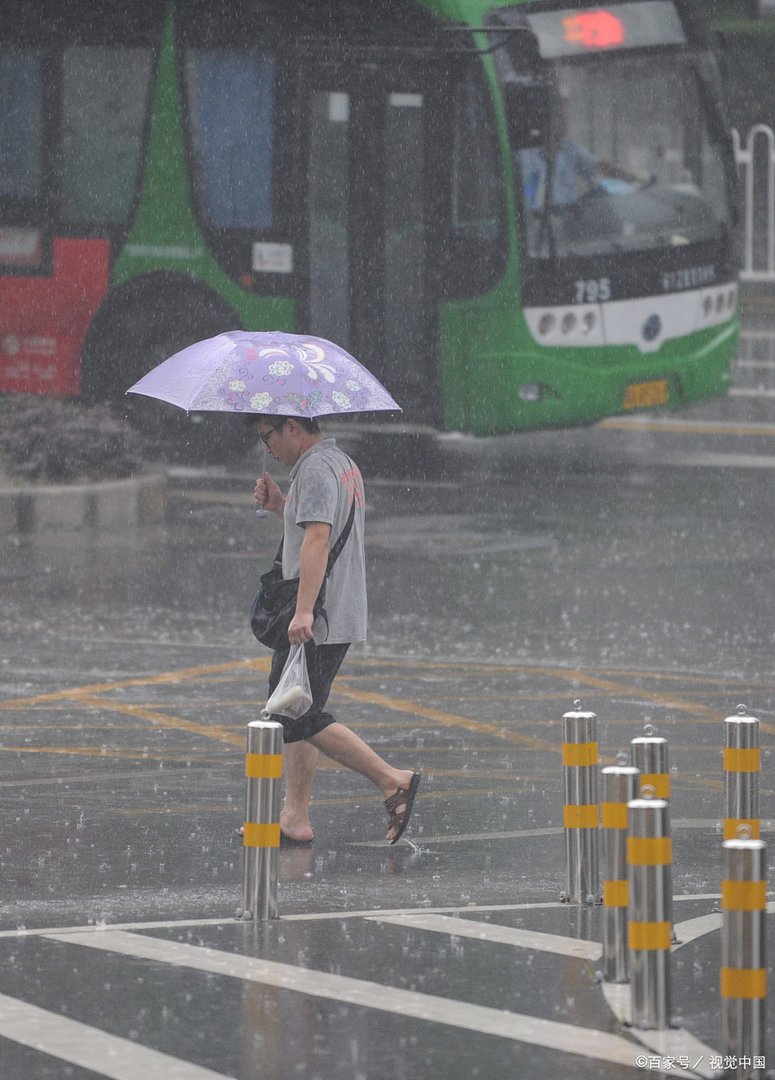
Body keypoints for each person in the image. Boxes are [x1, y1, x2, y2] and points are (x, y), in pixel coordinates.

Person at [252, 414, 420, 846]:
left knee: (294, 712)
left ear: (292, 427)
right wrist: (281, 506)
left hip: (319, 615)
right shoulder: (338, 462)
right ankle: (295, 815)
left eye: (268, 436)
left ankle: (391, 779)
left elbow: (318, 539)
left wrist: (304, 612)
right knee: (297, 707)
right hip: (336, 608)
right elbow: (314, 522)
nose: (266, 447)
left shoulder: (314, 469)